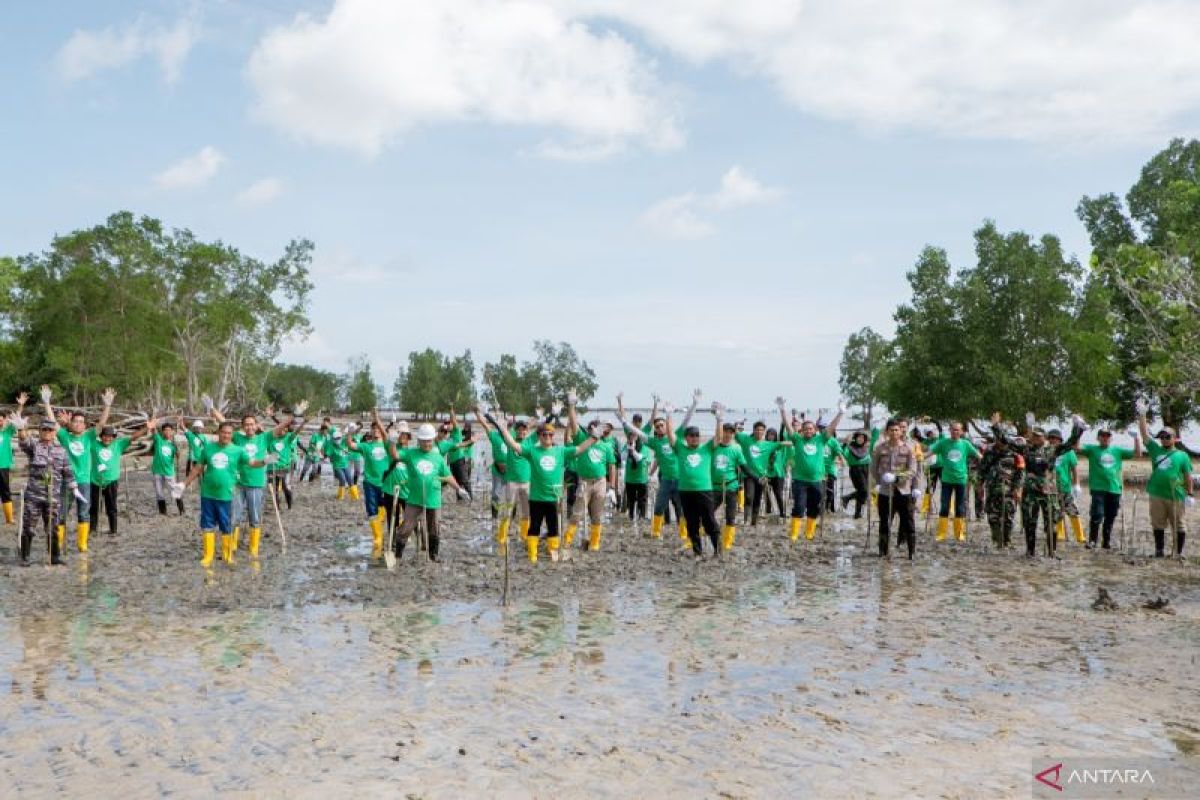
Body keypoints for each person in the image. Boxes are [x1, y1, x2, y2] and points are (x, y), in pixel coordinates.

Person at [492, 415, 600, 562]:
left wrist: (594, 438)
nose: (548, 437)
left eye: (550, 434)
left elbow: (580, 449)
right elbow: (514, 446)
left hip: (553, 498)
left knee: (553, 526)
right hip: (536, 497)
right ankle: (532, 555)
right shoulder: (532, 451)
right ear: (539, 437)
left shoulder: (560, 451)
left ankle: (553, 551)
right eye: (544, 435)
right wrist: (504, 429)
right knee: (534, 526)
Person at [207, 397, 301, 560]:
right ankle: (230, 548)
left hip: (257, 485)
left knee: (255, 518)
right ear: (243, 426)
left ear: (256, 425)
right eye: (246, 424)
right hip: (238, 484)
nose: (249, 427)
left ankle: (253, 550)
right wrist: (212, 408)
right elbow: (223, 422)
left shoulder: (264, 438)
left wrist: (295, 415)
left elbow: (281, 426)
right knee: (234, 517)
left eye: (252, 424)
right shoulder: (238, 437)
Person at [183, 420, 270, 567]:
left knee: (226, 525)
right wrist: (184, 484)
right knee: (207, 525)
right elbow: (198, 468)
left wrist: (265, 461)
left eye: (229, 433)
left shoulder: (238, 450)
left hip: (227, 495)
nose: (226, 435)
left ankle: (227, 555)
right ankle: (208, 556)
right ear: (218, 433)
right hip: (208, 494)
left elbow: (253, 463)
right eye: (224, 432)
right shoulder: (208, 449)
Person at [42, 384, 114, 553]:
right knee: (61, 514)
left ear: (84, 425)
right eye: (76, 421)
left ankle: (82, 544)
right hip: (66, 482)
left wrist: (107, 405)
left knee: (84, 513)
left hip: (84, 482)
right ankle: (58, 544)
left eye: (82, 422)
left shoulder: (89, 437)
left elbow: (102, 423)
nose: (79, 424)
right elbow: (53, 423)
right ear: (71, 423)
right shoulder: (65, 436)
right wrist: (46, 402)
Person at [1000, 412, 1083, 558]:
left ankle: (1052, 552)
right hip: (1030, 491)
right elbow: (1006, 442)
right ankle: (1030, 552)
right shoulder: (1025, 449)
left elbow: (1071, 443)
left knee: (1051, 522)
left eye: (1039, 436)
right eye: (1034, 435)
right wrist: (996, 427)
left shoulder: (1052, 449)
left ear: (1044, 438)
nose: (1036, 438)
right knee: (1029, 522)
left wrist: (1077, 427)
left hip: (1048, 491)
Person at [388, 423, 469, 563]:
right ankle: (397, 554)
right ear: (419, 441)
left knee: (434, 528)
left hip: (433, 499)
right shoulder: (411, 454)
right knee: (406, 527)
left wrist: (459, 489)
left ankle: (433, 555)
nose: (427, 443)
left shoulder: (437, 457)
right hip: (414, 499)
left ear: (433, 439)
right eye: (424, 441)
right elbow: (395, 455)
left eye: (429, 440)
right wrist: (392, 442)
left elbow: (448, 476)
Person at [664, 399, 726, 557]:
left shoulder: (706, 449)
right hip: (685, 491)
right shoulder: (681, 448)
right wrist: (669, 415)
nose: (694, 438)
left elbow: (718, 438)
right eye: (691, 436)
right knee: (691, 523)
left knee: (709, 521)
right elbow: (670, 436)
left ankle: (718, 550)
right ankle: (698, 553)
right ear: (686, 438)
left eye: (696, 435)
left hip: (704, 491)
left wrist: (719, 419)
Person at [780, 397, 844, 541]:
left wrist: (841, 413)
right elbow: (788, 426)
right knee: (799, 507)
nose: (808, 430)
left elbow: (832, 427)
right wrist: (783, 410)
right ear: (801, 431)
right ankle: (795, 533)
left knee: (814, 507)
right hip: (800, 480)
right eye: (805, 429)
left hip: (817, 480)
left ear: (814, 430)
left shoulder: (820, 439)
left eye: (810, 428)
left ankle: (809, 533)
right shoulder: (797, 439)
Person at [1137, 401, 1194, 558]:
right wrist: (1142, 415)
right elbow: (1144, 434)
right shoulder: (1156, 450)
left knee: (1179, 524)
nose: (1163, 439)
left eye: (1167, 436)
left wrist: (1190, 494)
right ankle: (1159, 551)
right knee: (1158, 523)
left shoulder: (1182, 455)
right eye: (1161, 437)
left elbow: (1188, 475)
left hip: (1176, 494)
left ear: (1174, 438)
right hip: (1156, 493)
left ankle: (1178, 552)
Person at [17, 419, 75, 565]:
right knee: (29, 526)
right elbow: (24, 442)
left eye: (50, 430)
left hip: (53, 496)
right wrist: (20, 428)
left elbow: (68, 472)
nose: (47, 433)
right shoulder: (35, 447)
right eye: (44, 430)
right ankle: (25, 557)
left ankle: (54, 556)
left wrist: (73, 486)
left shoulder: (61, 451)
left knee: (53, 528)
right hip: (34, 496)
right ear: (40, 431)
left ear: (54, 432)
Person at [566, 391, 617, 552]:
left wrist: (612, 486)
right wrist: (571, 405)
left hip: (600, 482)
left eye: (597, 429)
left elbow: (612, 466)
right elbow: (574, 423)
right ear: (589, 430)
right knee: (577, 513)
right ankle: (567, 541)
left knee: (596, 515)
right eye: (591, 428)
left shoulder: (606, 446)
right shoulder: (582, 439)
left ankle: (595, 543)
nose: (594, 431)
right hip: (584, 481)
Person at [1077, 425, 1140, 550]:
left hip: (1114, 488)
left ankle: (1106, 542)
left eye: (1107, 436)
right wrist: (1079, 431)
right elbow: (1077, 448)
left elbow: (1137, 454)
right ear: (1098, 438)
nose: (1105, 438)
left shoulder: (1117, 450)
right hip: (1098, 488)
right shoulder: (1092, 449)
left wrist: (1136, 439)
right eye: (1102, 436)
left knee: (1110, 516)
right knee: (1097, 514)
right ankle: (1093, 540)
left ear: (1111, 438)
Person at [871, 418, 922, 558]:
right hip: (886, 491)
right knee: (885, 522)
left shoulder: (909, 449)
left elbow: (913, 470)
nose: (894, 432)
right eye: (891, 430)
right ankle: (883, 551)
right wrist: (880, 480)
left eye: (897, 430)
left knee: (908, 522)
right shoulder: (880, 448)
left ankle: (912, 552)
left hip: (903, 491)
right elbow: (874, 468)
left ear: (901, 432)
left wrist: (898, 478)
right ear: (887, 432)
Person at [90, 420, 152, 536]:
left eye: (110, 436)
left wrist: (146, 428)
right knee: (94, 508)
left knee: (112, 508)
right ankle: (93, 530)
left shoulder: (118, 444)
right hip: (95, 481)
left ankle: (113, 530)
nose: (107, 438)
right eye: (105, 436)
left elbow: (133, 437)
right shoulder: (94, 445)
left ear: (114, 437)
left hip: (111, 482)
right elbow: (85, 436)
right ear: (101, 436)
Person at [927, 422, 981, 543]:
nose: (955, 432)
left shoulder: (965, 444)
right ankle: (941, 533)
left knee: (960, 507)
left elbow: (978, 455)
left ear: (961, 432)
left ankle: (959, 533)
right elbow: (930, 453)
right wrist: (919, 457)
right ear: (949, 430)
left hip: (961, 480)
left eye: (957, 430)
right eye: (953, 430)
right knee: (945, 506)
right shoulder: (943, 443)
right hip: (946, 479)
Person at [349, 412, 393, 553]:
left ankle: (391, 531)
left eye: (378, 428)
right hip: (370, 482)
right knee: (371, 510)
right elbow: (351, 445)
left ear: (382, 430)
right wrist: (349, 434)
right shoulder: (366, 446)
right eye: (373, 428)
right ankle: (378, 537)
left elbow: (387, 436)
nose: (375, 431)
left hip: (386, 483)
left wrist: (376, 417)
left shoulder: (387, 444)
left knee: (388, 509)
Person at [736, 420, 785, 526]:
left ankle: (753, 521)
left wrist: (793, 441)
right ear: (753, 430)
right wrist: (736, 424)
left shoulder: (768, 444)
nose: (759, 432)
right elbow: (733, 433)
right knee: (749, 497)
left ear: (764, 432)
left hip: (762, 476)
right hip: (748, 475)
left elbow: (782, 443)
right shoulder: (746, 440)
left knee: (757, 498)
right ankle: (746, 520)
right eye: (757, 430)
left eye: (761, 430)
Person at [979, 435, 1023, 548]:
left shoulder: (1014, 454)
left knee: (1008, 516)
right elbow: (982, 470)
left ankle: (1007, 540)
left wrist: (1017, 489)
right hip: (992, 489)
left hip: (1009, 490)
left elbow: (1019, 473)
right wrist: (980, 486)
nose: (999, 443)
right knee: (992, 516)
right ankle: (997, 540)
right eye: (998, 440)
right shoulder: (989, 452)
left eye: (1002, 441)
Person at [712, 422, 751, 550]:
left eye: (730, 432)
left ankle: (727, 543)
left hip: (731, 487)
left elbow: (744, 467)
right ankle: (709, 532)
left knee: (730, 516)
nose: (727, 434)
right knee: (707, 512)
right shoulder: (713, 447)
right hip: (715, 487)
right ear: (720, 432)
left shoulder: (736, 448)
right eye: (725, 431)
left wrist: (755, 477)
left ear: (733, 434)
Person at [1049, 429, 1084, 544]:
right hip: (1052, 488)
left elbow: (1074, 469)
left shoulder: (1069, 452)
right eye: (1051, 438)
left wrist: (1076, 484)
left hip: (1065, 487)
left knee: (1072, 510)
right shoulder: (1048, 452)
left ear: (1060, 440)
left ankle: (1080, 536)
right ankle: (1060, 533)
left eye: (1055, 438)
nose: (1053, 440)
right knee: (1056, 512)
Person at [0, 392, 29, 525]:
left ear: (5, 420)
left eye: (2, 419)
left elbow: (17, 418)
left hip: (4, 466)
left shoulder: (7, 431)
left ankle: (9, 518)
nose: (0, 421)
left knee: (6, 491)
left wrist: (20, 405)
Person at [840, 429, 876, 519]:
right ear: (855, 438)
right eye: (859, 437)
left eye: (862, 438)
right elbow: (842, 452)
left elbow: (875, 436)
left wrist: (877, 425)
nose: (860, 439)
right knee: (863, 490)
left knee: (863, 492)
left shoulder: (867, 447)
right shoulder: (850, 447)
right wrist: (845, 443)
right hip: (856, 470)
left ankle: (857, 513)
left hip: (867, 469)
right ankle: (847, 498)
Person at [151, 420, 184, 516]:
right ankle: (162, 512)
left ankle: (181, 510)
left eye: (169, 430)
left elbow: (178, 456)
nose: (167, 432)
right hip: (157, 471)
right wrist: (153, 422)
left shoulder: (173, 444)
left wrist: (178, 450)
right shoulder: (158, 440)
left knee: (174, 490)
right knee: (159, 492)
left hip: (169, 472)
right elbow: (153, 430)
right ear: (162, 431)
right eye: (165, 430)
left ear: (172, 431)